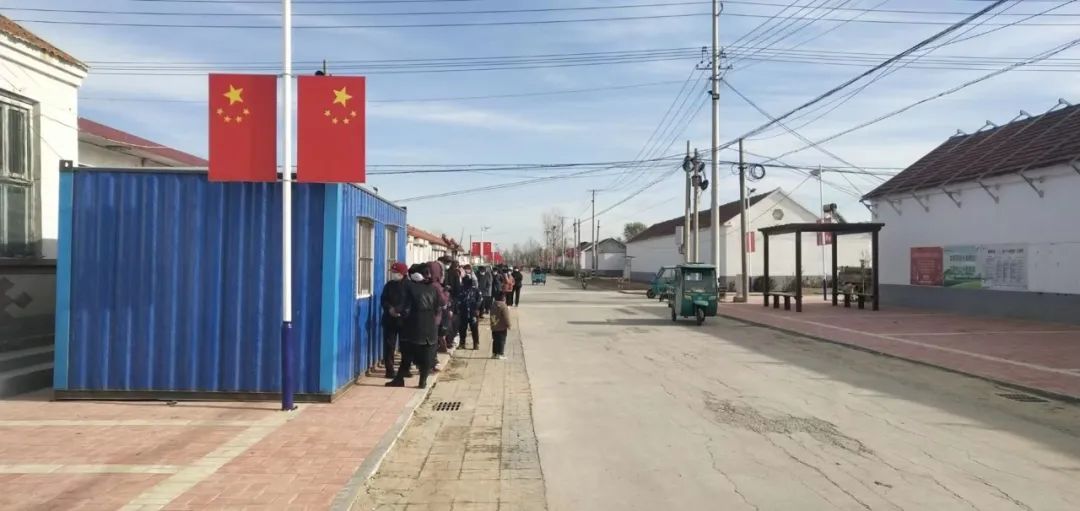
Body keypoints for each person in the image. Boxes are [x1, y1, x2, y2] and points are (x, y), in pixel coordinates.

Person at [387, 263, 445, 388]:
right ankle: (422, 382)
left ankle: (399, 379)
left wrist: (395, 311)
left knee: (407, 356)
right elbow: (438, 306)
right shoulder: (433, 288)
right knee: (426, 358)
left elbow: (404, 307)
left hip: (413, 329)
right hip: (430, 329)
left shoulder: (410, 288)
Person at [380, 261, 410, 379]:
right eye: (392, 272)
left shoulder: (409, 286)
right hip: (390, 320)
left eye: (395, 272)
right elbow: (383, 300)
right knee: (389, 346)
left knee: (406, 347)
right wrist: (390, 309)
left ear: (402, 273)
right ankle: (390, 370)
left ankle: (405, 370)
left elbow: (410, 303)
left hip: (404, 321)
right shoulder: (389, 285)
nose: (393, 274)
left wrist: (401, 311)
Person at [456, 275, 482, 350]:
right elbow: (458, 300)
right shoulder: (461, 290)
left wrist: (476, 308)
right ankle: (462, 343)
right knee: (462, 329)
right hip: (463, 312)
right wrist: (459, 308)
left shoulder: (475, 290)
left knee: (474, 328)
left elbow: (480, 300)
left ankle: (476, 344)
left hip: (473, 312)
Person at [490, 292, 512, 359]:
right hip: (501, 327)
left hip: (494, 326)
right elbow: (506, 317)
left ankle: (494, 353)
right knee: (501, 340)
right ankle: (500, 354)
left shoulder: (493, 305)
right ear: (503, 298)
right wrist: (509, 325)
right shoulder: (503, 306)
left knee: (495, 340)